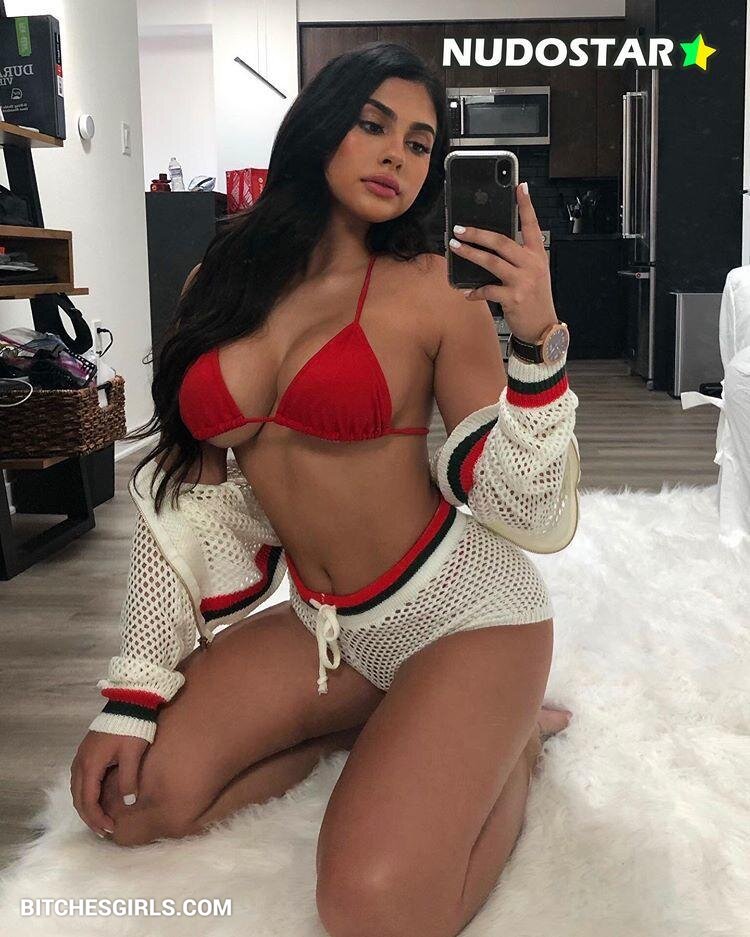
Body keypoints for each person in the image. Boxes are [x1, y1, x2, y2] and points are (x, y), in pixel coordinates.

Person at [70, 41, 578, 937]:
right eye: (373, 125)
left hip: (466, 618)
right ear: (319, 126)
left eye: (419, 143)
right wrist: (133, 692)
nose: (396, 156)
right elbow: (185, 492)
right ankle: (397, 725)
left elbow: (519, 505)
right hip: (326, 627)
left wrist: (536, 345)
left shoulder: (436, 290)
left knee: (373, 908)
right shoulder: (218, 282)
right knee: (136, 801)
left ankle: (513, 745)